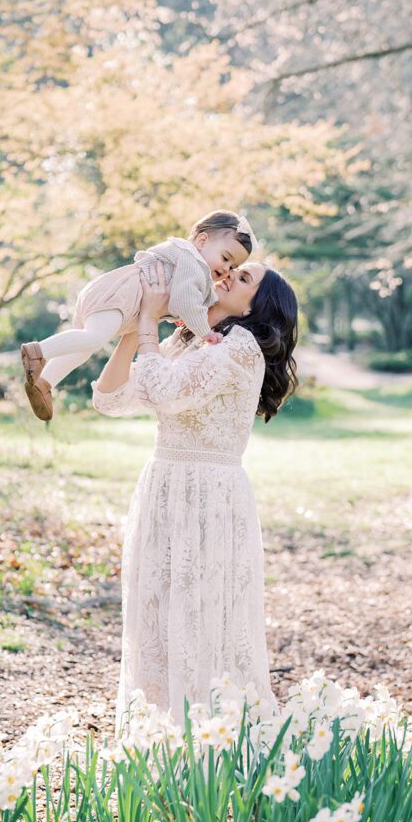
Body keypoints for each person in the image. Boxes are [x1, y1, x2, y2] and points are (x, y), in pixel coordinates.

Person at [91, 258, 299, 728]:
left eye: (242, 278)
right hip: (164, 486)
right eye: (233, 269)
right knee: (158, 613)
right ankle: (159, 739)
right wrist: (134, 329)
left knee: (203, 617)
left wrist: (147, 324)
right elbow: (111, 399)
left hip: (211, 495)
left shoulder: (242, 348)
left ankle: (208, 741)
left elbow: (165, 391)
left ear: (255, 307)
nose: (226, 276)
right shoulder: (188, 339)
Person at [20, 210, 256, 422]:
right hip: (121, 296)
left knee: (83, 347)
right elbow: (187, 302)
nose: (227, 271)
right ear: (202, 241)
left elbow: (177, 301)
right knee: (94, 338)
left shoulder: (188, 263)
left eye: (233, 267)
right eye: (226, 258)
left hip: (116, 295)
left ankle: (44, 384)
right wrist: (205, 332)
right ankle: (37, 352)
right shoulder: (193, 264)